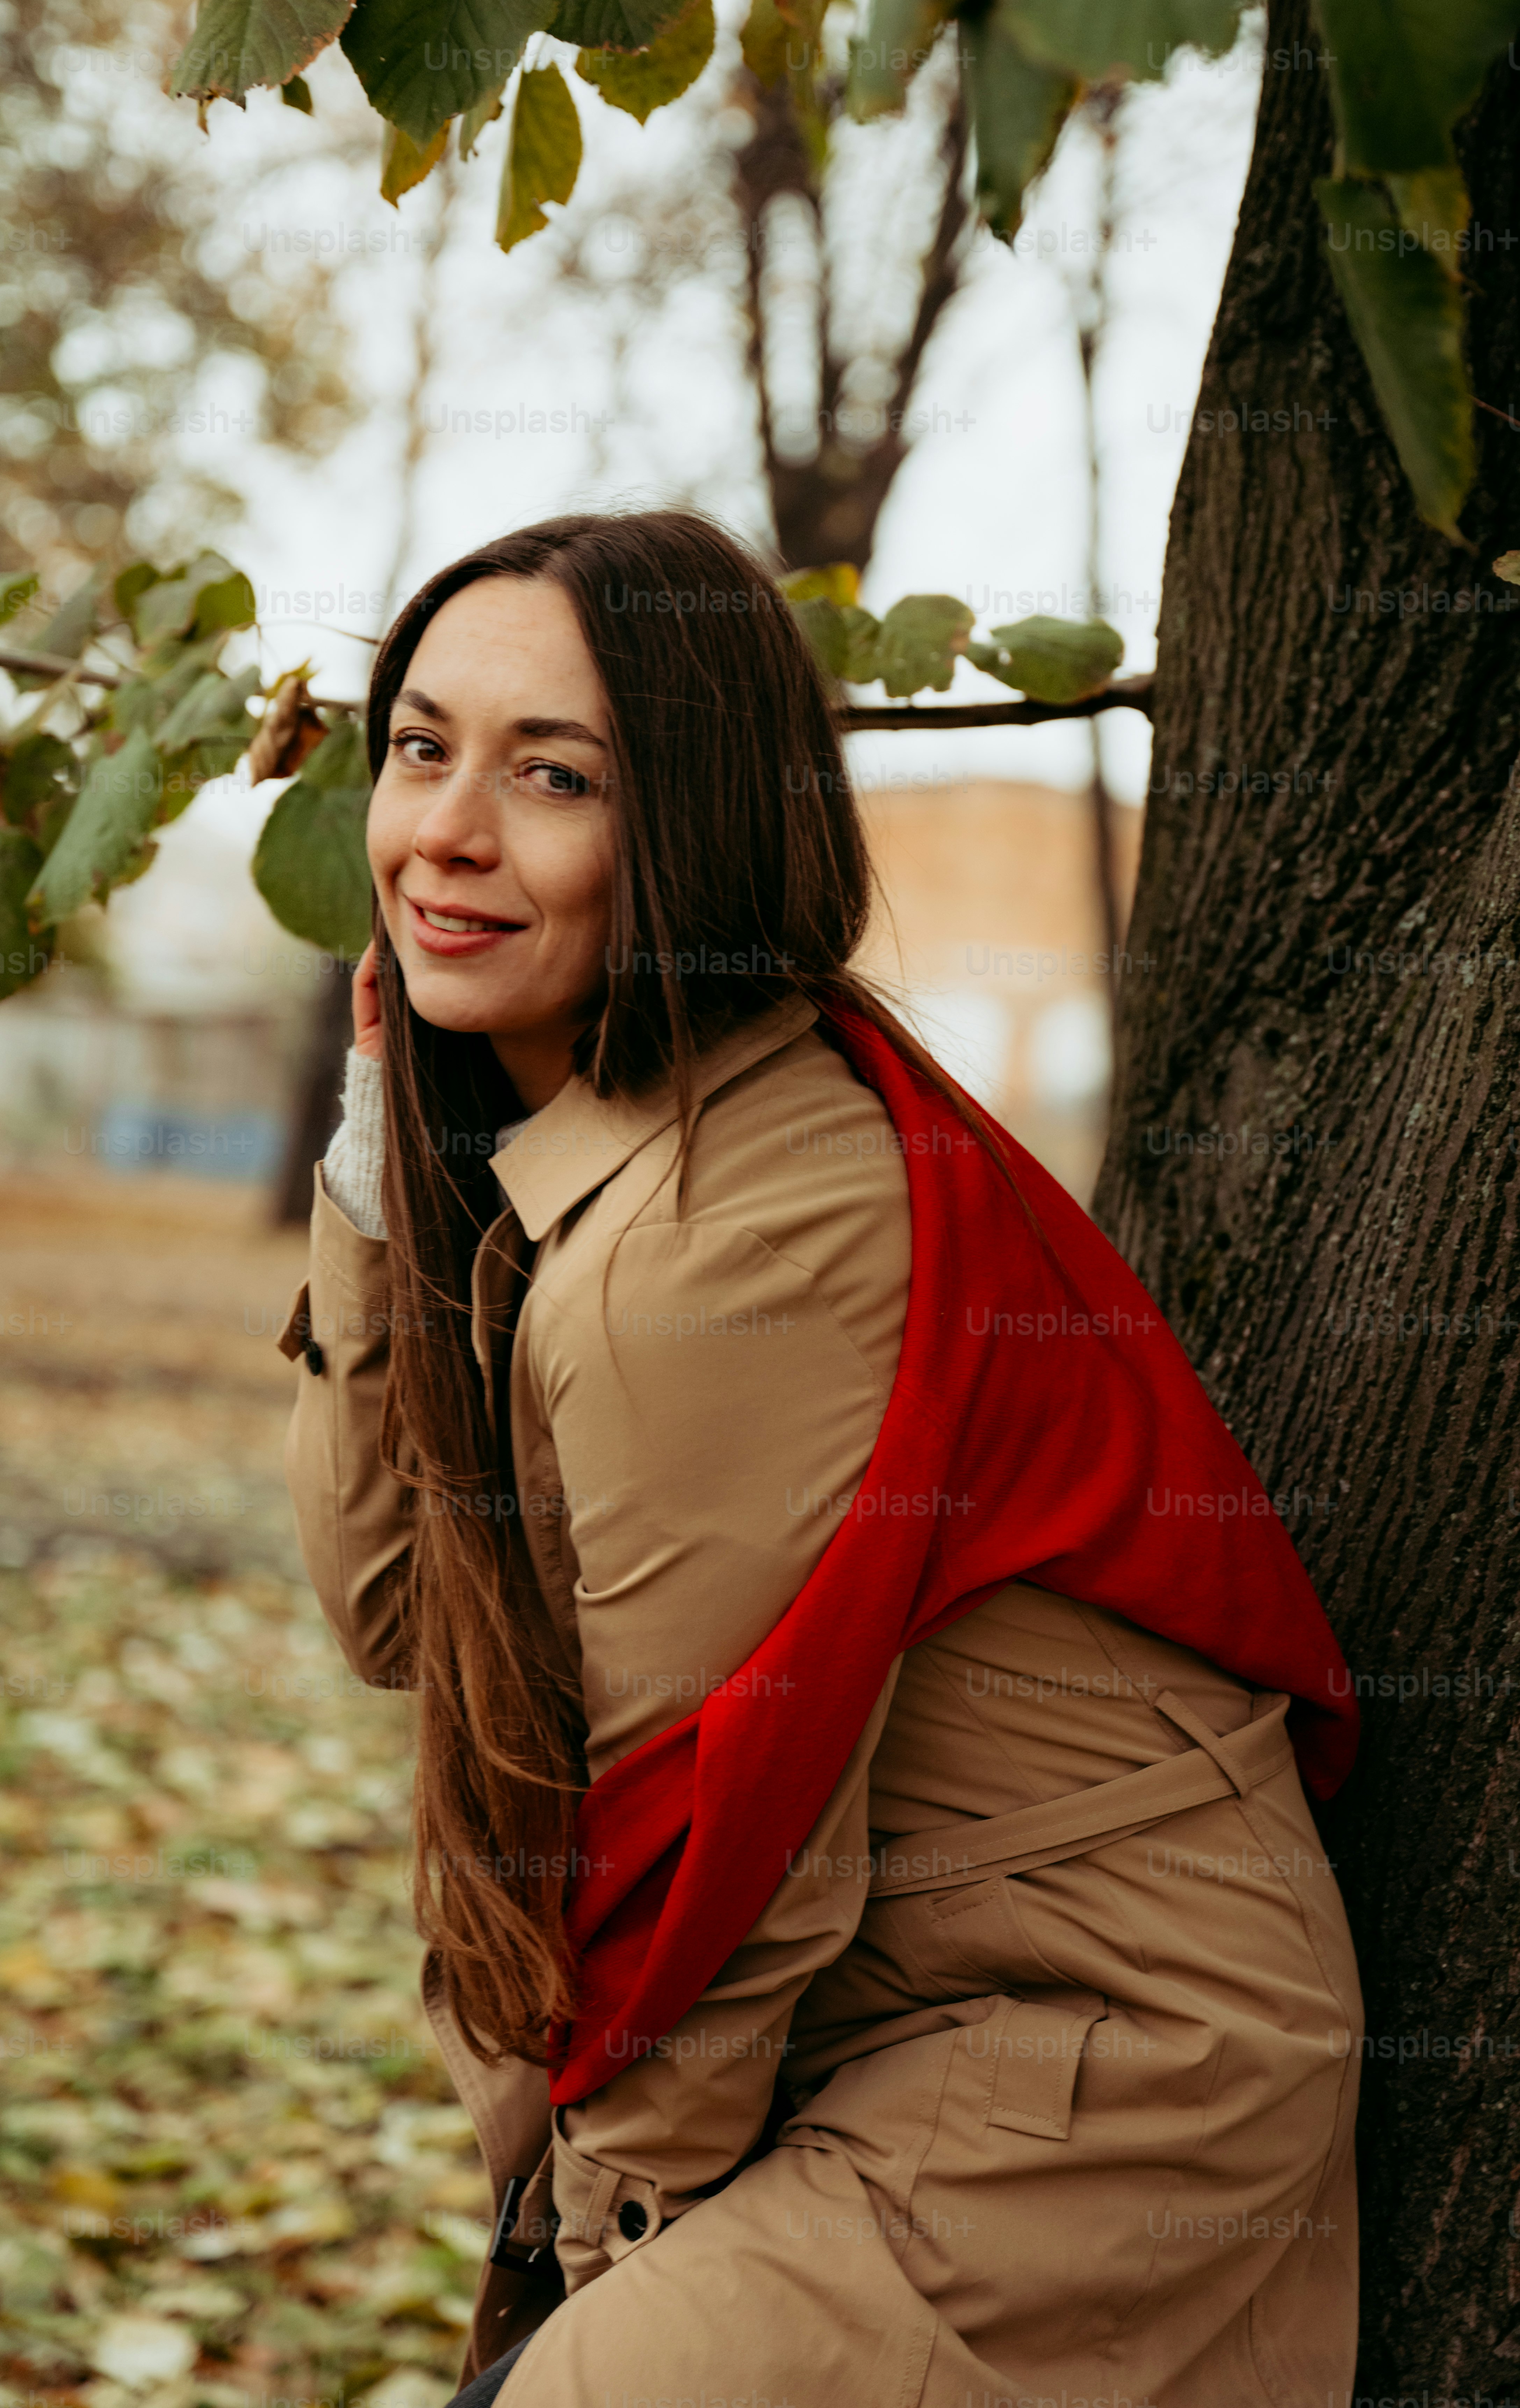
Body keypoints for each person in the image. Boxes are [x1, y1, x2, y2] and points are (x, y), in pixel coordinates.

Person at [280, 509, 1363, 2408]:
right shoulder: (590, 1142)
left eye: (554, 778)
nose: (445, 832)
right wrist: (383, 1130)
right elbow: (392, 1609)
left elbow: (713, 1841)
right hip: (878, 2013)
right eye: (423, 746)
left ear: (692, 825)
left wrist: (586, 2266)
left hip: (1092, 2060)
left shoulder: (723, 1242)